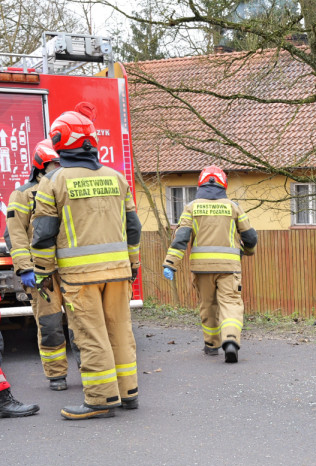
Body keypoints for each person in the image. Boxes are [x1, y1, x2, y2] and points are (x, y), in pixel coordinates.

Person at [31, 109, 141, 420]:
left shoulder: (53, 183)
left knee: (91, 335)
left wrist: (43, 273)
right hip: (119, 272)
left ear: (60, 142)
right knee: (120, 331)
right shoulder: (117, 177)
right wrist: (133, 263)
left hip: (79, 279)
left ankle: (100, 399)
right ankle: (128, 392)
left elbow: (43, 236)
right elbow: (133, 228)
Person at [162, 166, 256, 363]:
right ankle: (230, 341)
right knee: (230, 304)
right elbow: (250, 236)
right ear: (223, 184)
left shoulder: (191, 207)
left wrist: (170, 264)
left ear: (200, 184)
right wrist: (247, 251)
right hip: (229, 268)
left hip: (202, 268)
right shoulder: (233, 207)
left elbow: (181, 239)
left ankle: (211, 345)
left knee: (208, 305)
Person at [4, 139, 73, 391]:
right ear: (40, 166)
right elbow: (15, 234)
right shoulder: (22, 194)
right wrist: (24, 267)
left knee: (82, 325)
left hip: (71, 268)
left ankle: (90, 371)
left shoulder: (66, 188)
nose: (59, 169)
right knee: (50, 325)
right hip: (42, 274)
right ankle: (56, 375)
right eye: (55, 164)